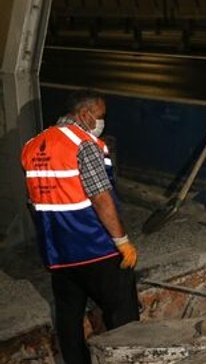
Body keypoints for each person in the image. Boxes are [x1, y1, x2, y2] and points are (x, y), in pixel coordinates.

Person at [20, 89, 139, 364]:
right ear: (85, 114)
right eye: (101, 115)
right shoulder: (84, 144)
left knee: (69, 319)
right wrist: (122, 241)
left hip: (58, 254)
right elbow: (101, 199)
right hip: (97, 249)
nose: (102, 121)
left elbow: (35, 202)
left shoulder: (32, 145)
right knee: (123, 318)